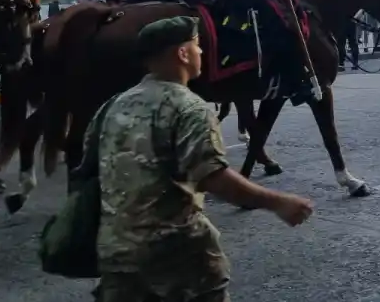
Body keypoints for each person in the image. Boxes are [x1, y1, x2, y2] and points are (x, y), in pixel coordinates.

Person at [91, 16, 313, 302]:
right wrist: (278, 202)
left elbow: (90, 169)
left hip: (116, 255)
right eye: (197, 46)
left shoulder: (112, 105)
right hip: (178, 256)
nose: (203, 53)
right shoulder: (189, 107)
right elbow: (213, 177)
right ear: (182, 54)